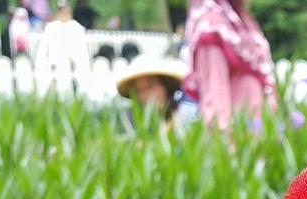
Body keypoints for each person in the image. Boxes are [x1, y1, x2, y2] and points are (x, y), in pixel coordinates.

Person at [182, 0, 275, 131]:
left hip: (258, 137)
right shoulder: (212, 25)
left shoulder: (243, 23)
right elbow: (215, 101)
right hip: (237, 141)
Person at [116, 56, 197, 136]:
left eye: (149, 87)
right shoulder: (131, 122)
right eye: (139, 90)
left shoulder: (185, 114)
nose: (145, 95)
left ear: (165, 86)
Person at [33, 4, 91, 77]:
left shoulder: (77, 28)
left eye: (67, 12)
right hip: (54, 61)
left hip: (73, 61)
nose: (65, 15)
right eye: (63, 12)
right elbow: (43, 47)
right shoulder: (51, 27)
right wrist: (38, 62)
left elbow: (83, 49)